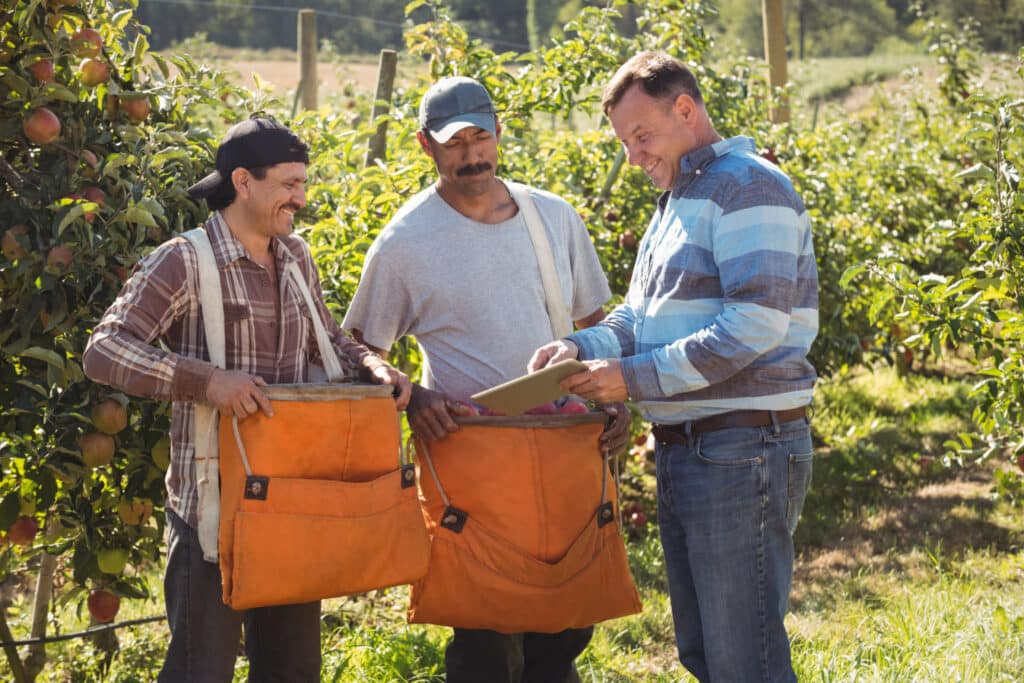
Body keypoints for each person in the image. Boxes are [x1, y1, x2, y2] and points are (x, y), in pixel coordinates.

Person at [82, 116, 411, 682]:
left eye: (302, 183)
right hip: (215, 510)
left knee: (292, 670)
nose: (300, 198)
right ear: (242, 182)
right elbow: (105, 349)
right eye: (288, 184)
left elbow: (328, 339)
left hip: (292, 500)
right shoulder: (184, 260)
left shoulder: (296, 256)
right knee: (200, 671)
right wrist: (206, 381)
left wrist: (372, 365)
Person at [530, 52, 818, 683]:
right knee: (704, 652)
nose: (633, 156)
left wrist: (629, 379)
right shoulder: (678, 200)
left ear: (685, 111)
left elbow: (755, 325)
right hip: (692, 448)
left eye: (642, 136)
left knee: (745, 660)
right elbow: (640, 316)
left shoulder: (747, 187)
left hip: (742, 446)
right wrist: (583, 349)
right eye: (625, 143)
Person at [341, 76, 628, 683]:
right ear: (426, 147)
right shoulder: (404, 244)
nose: (472, 155)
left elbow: (595, 327)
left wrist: (614, 395)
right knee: (484, 631)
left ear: (499, 133)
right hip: (475, 457)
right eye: (454, 144)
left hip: (564, 444)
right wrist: (414, 397)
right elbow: (360, 350)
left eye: (480, 137)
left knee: (567, 619)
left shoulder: (553, 218)